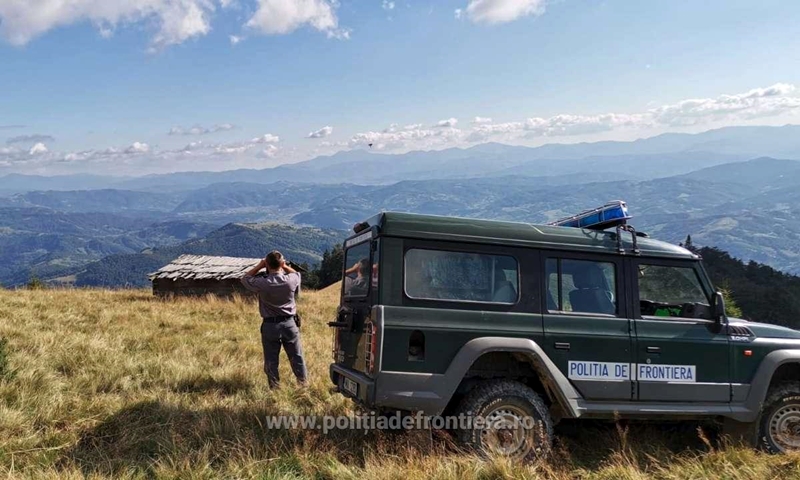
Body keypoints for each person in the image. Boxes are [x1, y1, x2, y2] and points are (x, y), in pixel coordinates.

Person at [241, 250, 307, 388]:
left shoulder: (262, 283)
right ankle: (302, 384)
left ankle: (275, 386)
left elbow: (245, 279)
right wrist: (284, 266)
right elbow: (296, 273)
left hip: (270, 325)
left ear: (267, 265)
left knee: (271, 358)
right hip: (289, 323)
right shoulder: (291, 280)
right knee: (296, 356)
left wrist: (259, 266)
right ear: (281, 263)